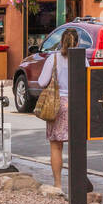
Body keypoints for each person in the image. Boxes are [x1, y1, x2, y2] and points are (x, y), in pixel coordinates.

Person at [37, 28, 77, 191]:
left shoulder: (53, 59)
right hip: (76, 104)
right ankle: (76, 184)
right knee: (77, 146)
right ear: (78, 43)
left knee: (56, 146)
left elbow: (41, 82)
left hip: (57, 104)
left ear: (61, 42)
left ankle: (58, 184)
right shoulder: (81, 59)